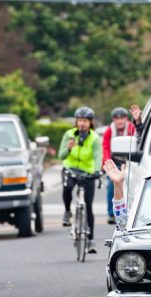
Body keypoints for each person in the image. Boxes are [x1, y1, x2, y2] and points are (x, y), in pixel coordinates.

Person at [58, 106, 103, 254]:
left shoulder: (95, 138)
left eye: (85, 121)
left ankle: (90, 241)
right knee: (67, 187)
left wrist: (97, 171)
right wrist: (69, 148)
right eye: (79, 121)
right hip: (70, 169)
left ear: (90, 122)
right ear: (76, 122)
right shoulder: (69, 135)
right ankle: (67, 211)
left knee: (88, 206)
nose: (82, 124)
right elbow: (61, 156)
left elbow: (98, 156)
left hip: (87, 172)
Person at [102, 106, 141, 224]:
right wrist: (107, 163)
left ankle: (133, 211)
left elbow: (138, 141)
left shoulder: (131, 128)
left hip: (129, 162)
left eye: (122, 118)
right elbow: (105, 147)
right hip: (114, 164)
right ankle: (111, 214)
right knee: (111, 185)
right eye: (116, 118)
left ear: (126, 119)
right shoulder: (109, 130)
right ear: (113, 120)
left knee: (133, 184)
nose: (119, 121)